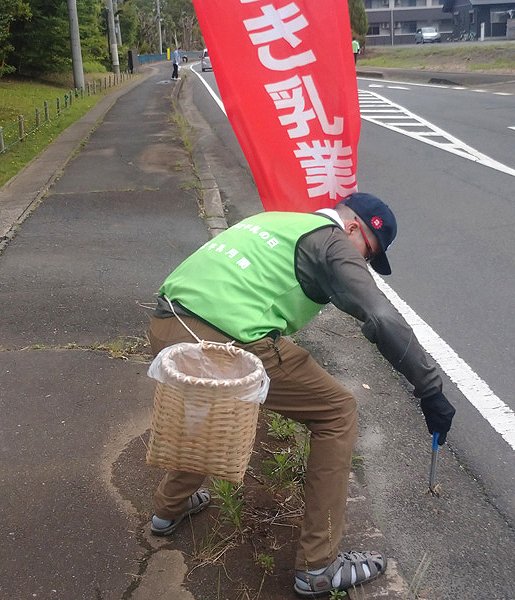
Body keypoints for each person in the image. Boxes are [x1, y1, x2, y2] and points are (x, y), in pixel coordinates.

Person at [146, 193, 455, 598]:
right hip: (230, 343)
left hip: (166, 327)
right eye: (366, 254)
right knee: (337, 411)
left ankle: (168, 510)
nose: (360, 265)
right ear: (352, 229)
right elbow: (381, 317)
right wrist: (431, 389)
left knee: (213, 402)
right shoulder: (332, 242)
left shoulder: (277, 220)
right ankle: (319, 567)